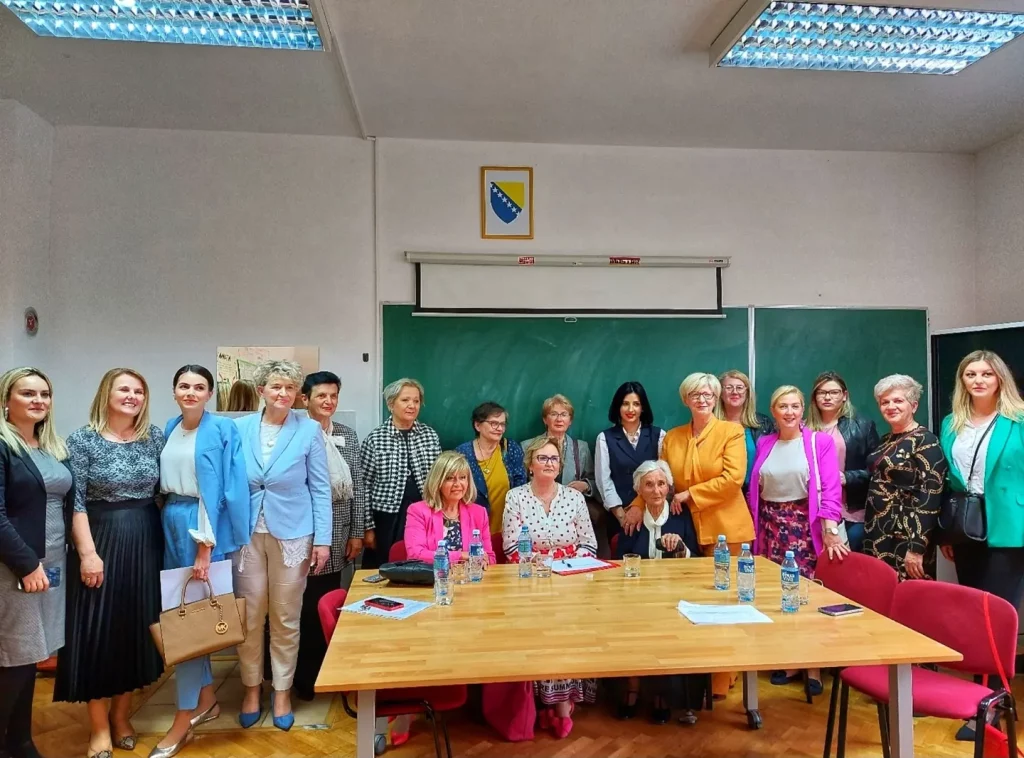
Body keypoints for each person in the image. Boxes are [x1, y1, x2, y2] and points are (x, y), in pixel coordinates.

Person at [55, 368, 165, 758]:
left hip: (145, 540)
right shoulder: (82, 439)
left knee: (135, 630)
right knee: (97, 631)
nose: (132, 396)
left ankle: (121, 716)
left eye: (139, 390)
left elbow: (162, 493)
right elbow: (76, 501)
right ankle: (99, 726)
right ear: (107, 393)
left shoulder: (154, 437)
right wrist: (87, 553)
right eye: (124, 389)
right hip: (99, 540)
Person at [152, 365, 250, 758]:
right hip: (171, 520)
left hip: (201, 526)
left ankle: (183, 716)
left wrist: (206, 548)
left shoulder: (223, 430)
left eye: (199, 387)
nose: (190, 392)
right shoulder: (170, 426)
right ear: (174, 391)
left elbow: (224, 490)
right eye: (184, 385)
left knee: (190, 622)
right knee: (187, 618)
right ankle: (207, 698)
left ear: (211, 393)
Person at [233, 360, 332, 732]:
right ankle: (251, 689)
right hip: (246, 534)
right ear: (262, 390)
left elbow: (320, 488)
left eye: (290, 388)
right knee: (250, 616)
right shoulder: (238, 428)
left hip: (294, 533)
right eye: (276, 387)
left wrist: (322, 539)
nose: (283, 394)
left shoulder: (308, 430)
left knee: (286, 618)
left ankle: (282, 692)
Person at [939, 350, 1024, 742]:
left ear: (1000, 378)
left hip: (1010, 529)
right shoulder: (951, 423)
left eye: (986, 374)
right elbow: (950, 483)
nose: (978, 380)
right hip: (966, 530)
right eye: (970, 374)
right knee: (976, 617)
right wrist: (945, 534)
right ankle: (986, 699)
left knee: (998, 617)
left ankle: (991, 705)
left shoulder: (1019, 420)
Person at [749, 385, 847, 694]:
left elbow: (831, 489)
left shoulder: (820, 442)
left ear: (802, 409)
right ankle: (789, 659)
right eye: (782, 407)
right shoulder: (765, 442)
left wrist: (830, 530)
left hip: (805, 529)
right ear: (773, 411)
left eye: (795, 406)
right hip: (769, 528)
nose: (789, 412)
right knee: (779, 597)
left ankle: (813, 666)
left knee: (807, 595)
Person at [660, 372, 753, 700]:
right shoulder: (672, 437)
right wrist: (634, 506)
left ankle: (722, 678)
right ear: (685, 399)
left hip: (727, 529)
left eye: (708, 395)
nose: (702, 399)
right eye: (695, 395)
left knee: (724, 602)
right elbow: (660, 479)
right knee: (690, 601)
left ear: (716, 399)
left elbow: (733, 479)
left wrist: (689, 496)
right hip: (684, 529)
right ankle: (694, 674)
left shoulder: (732, 431)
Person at [502, 437, 599, 738]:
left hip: (570, 583)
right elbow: (511, 548)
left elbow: (588, 544)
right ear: (530, 465)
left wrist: (565, 563)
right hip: (529, 585)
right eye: (542, 458)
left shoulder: (574, 498)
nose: (548, 464)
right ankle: (542, 705)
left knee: (566, 636)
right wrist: (553, 560)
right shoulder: (515, 497)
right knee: (536, 639)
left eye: (554, 459)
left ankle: (563, 706)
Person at [0, 368, 73, 758]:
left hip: (53, 562)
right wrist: (27, 565)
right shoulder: (2, 444)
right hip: (16, 567)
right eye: (27, 393)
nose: (38, 401)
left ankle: (20, 740)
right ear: (6, 399)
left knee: (32, 654)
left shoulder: (49, 447)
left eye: (44, 393)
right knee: (15, 656)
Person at [292, 371, 368, 702]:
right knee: (299, 608)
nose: (328, 402)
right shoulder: (294, 433)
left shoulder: (348, 436)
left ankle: (327, 672)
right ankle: (301, 677)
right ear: (305, 399)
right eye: (321, 396)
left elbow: (359, 487)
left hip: (338, 533)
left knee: (325, 603)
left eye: (333, 396)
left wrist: (357, 532)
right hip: (300, 530)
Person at [614, 460, 702, 726]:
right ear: (639, 490)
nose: (656, 490)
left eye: (661, 484)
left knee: (669, 630)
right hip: (637, 596)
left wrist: (681, 549)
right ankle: (632, 689)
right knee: (630, 627)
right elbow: (620, 561)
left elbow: (696, 559)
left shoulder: (680, 515)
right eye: (649, 485)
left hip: (673, 595)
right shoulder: (633, 517)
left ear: (669, 487)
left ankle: (662, 694)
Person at [864, 375, 947, 582]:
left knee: (908, 600)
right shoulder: (885, 440)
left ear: (914, 405)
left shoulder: (926, 442)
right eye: (885, 402)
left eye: (898, 401)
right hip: (878, 532)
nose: (891, 406)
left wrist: (917, 548)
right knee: (879, 595)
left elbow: (931, 496)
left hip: (906, 537)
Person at [360, 378, 440, 569]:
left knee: (420, 564)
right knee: (384, 566)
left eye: (416, 401)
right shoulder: (376, 438)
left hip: (424, 514)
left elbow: (439, 479)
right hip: (386, 518)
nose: (412, 405)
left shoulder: (429, 436)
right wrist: (368, 527)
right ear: (391, 404)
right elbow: (363, 485)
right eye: (405, 400)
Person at [808, 371, 879, 553]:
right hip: (813, 509)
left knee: (846, 567)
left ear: (844, 395)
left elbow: (877, 471)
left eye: (834, 392)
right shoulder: (804, 428)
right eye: (822, 392)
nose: (827, 397)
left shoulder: (862, 426)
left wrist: (847, 477)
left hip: (851, 511)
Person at [521, 394, 600, 553]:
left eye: (564, 414)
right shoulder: (527, 446)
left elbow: (595, 480)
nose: (559, 419)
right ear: (545, 419)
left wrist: (585, 485)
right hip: (536, 513)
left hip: (570, 518)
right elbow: (519, 482)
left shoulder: (581, 448)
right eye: (553, 414)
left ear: (570, 421)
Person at [595, 382, 665, 537]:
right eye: (625, 404)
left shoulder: (659, 436)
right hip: (619, 517)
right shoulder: (605, 438)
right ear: (617, 407)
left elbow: (663, 478)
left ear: (643, 408)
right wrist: (621, 515)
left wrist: (641, 508)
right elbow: (603, 481)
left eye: (636, 404)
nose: (631, 409)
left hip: (653, 513)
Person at [404, 451, 497, 564]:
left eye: (462, 477)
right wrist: (461, 556)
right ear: (438, 482)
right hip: (434, 578)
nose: (457, 484)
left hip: (470, 579)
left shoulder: (479, 512)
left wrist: (485, 561)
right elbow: (416, 555)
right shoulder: (418, 511)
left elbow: (490, 557)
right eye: (450, 478)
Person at [454, 402, 526, 533]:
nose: (499, 428)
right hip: (473, 529)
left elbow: (521, 487)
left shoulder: (510, 449)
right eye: (494, 423)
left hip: (508, 529)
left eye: (502, 424)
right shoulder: (462, 453)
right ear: (477, 425)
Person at [715, 370, 775, 494]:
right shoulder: (710, 424)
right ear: (720, 393)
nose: (735, 392)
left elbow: (774, 459)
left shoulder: (762, 423)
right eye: (729, 387)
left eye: (740, 388)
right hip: (720, 493)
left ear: (747, 392)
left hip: (756, 493)